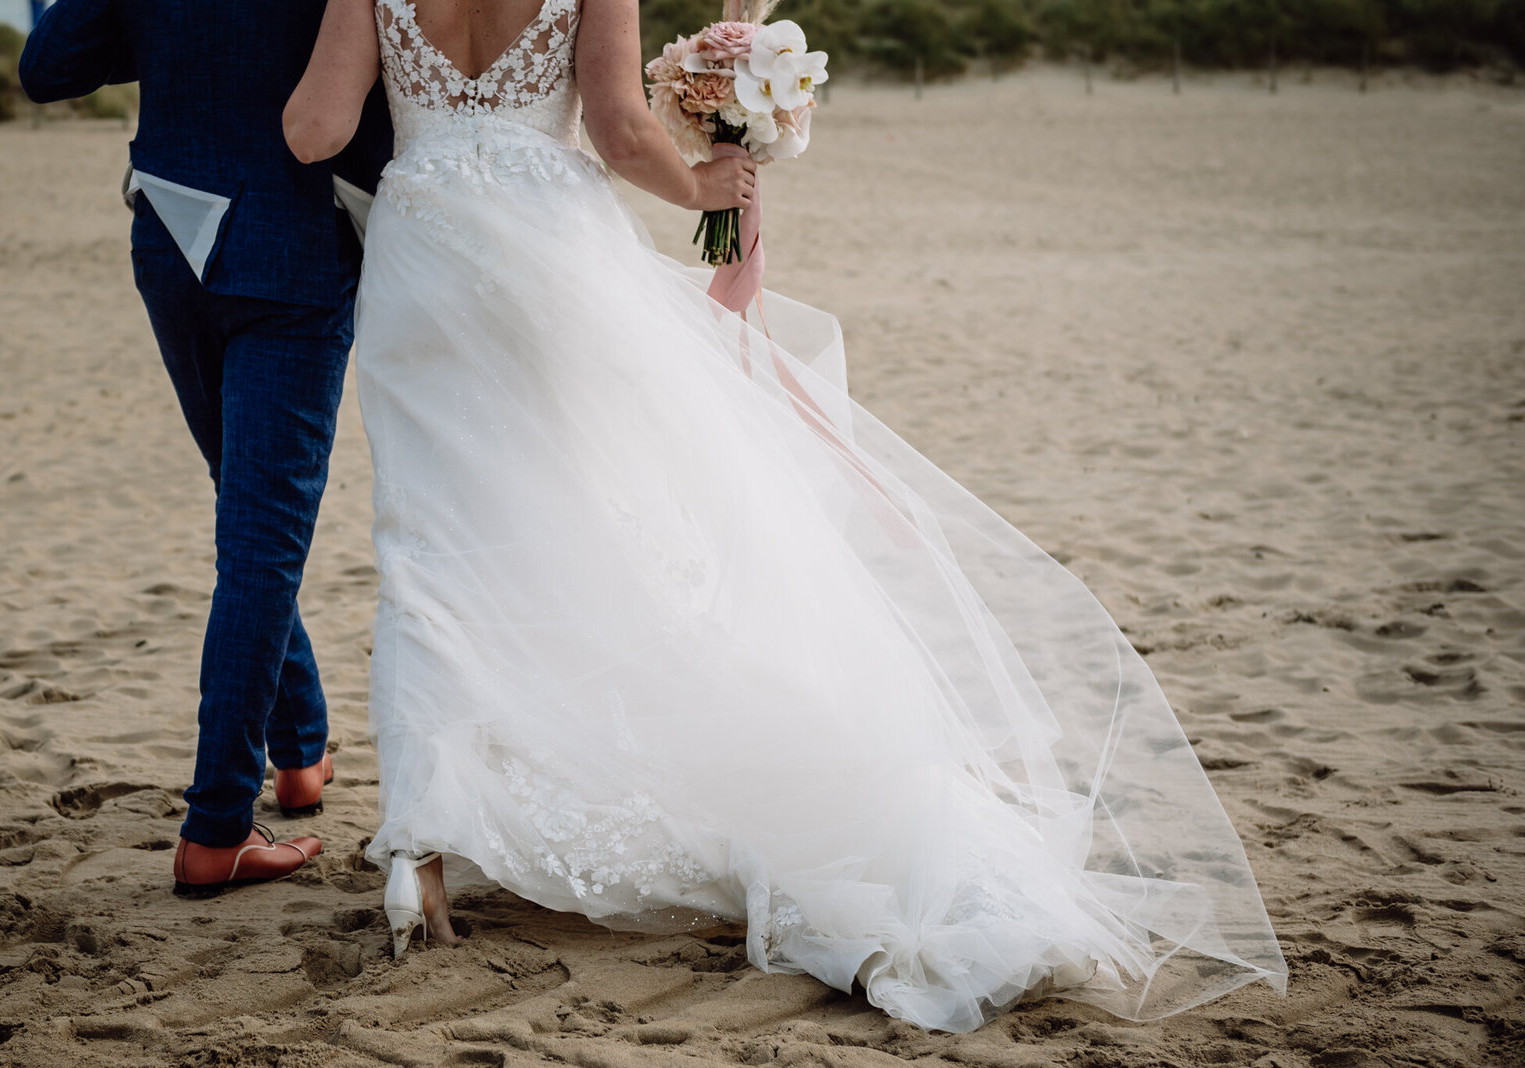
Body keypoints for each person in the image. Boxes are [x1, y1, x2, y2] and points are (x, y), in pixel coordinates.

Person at [285, 0, 1287, 1032]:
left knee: (428, 546)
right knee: (593, 513)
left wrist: (417, 123)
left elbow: (314, 131)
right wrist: (704, 185)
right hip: (547, 249)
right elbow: (623, 129)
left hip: (422, 250)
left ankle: (418, 856)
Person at [20, 0, 394, 896]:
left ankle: (300, 754)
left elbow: (47, 70)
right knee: (260, 543)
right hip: (293, 250)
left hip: (174, 239)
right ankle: (219, 827)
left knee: (251, 521)